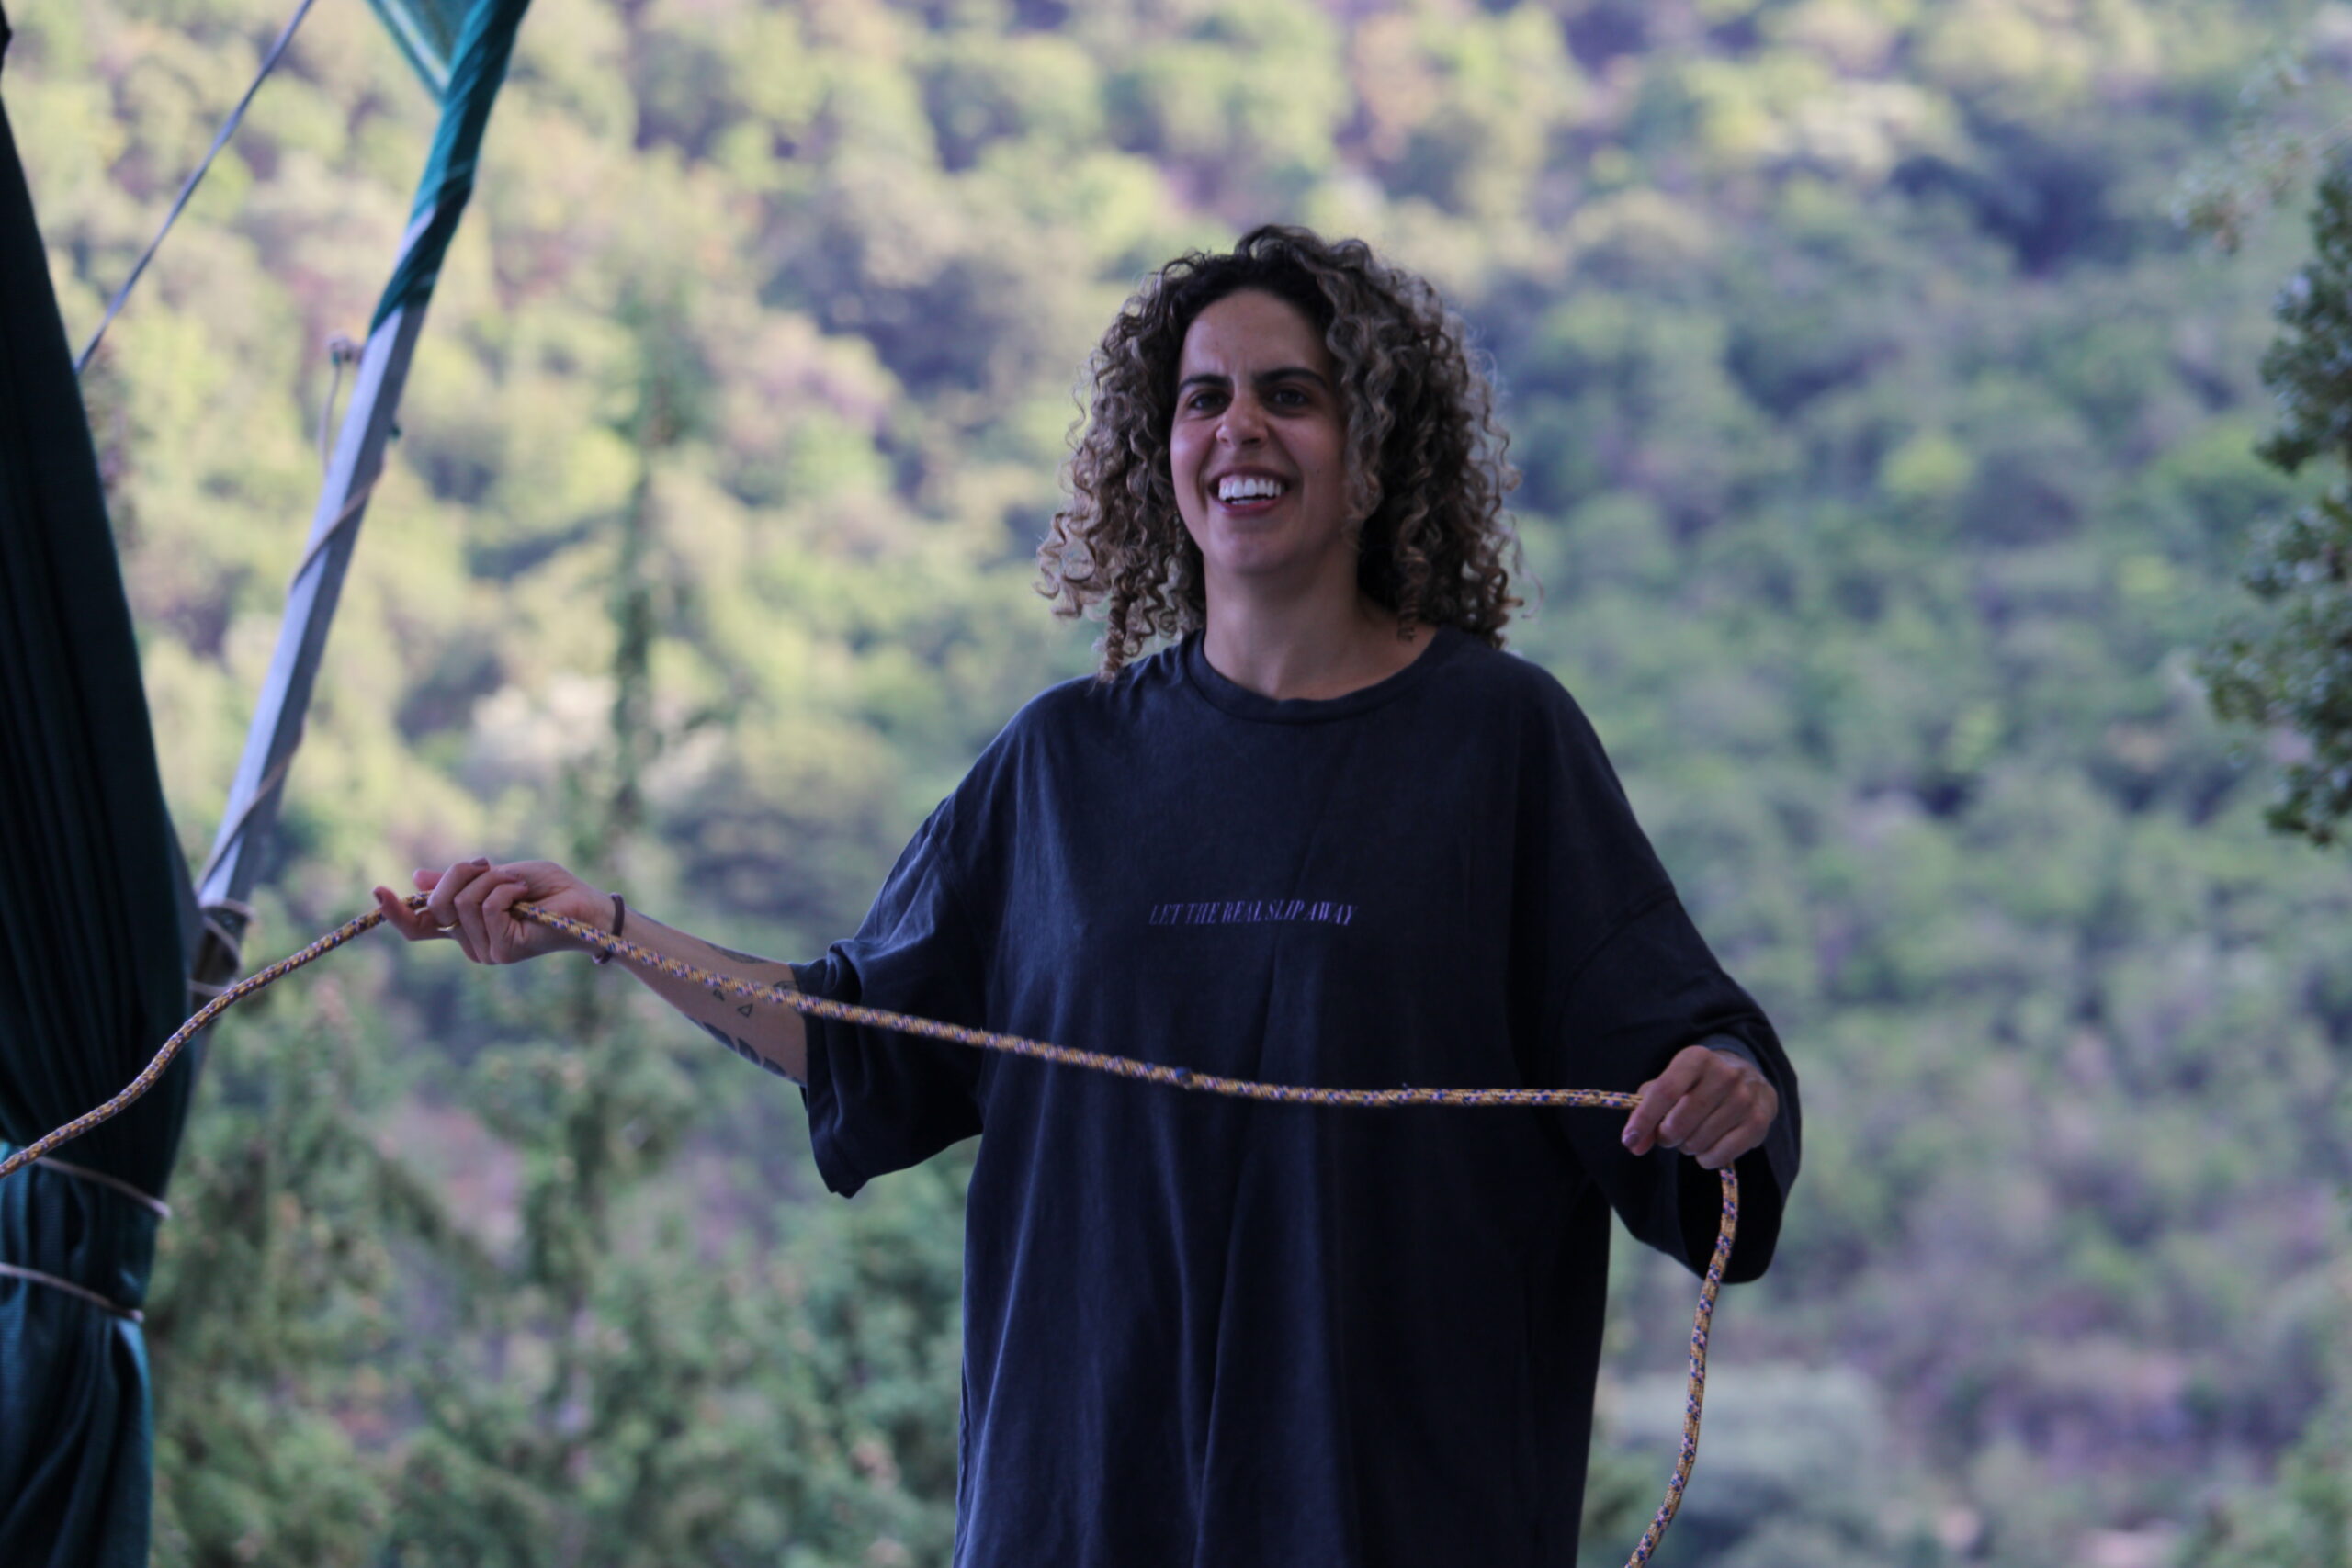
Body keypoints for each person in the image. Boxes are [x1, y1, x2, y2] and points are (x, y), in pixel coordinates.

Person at [373, 225, 1800, 1567]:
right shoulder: (1059, 767)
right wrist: (610, 932)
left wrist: (1726, 1090)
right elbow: (864, 1045)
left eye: (1291, 396)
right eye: (1202, 399)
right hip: (1080, 1505)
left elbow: (1691, 1072)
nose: (1239, 429)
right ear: (1154, 454)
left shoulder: (1501, 744)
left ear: (1374, 450)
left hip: (1394, 1513)